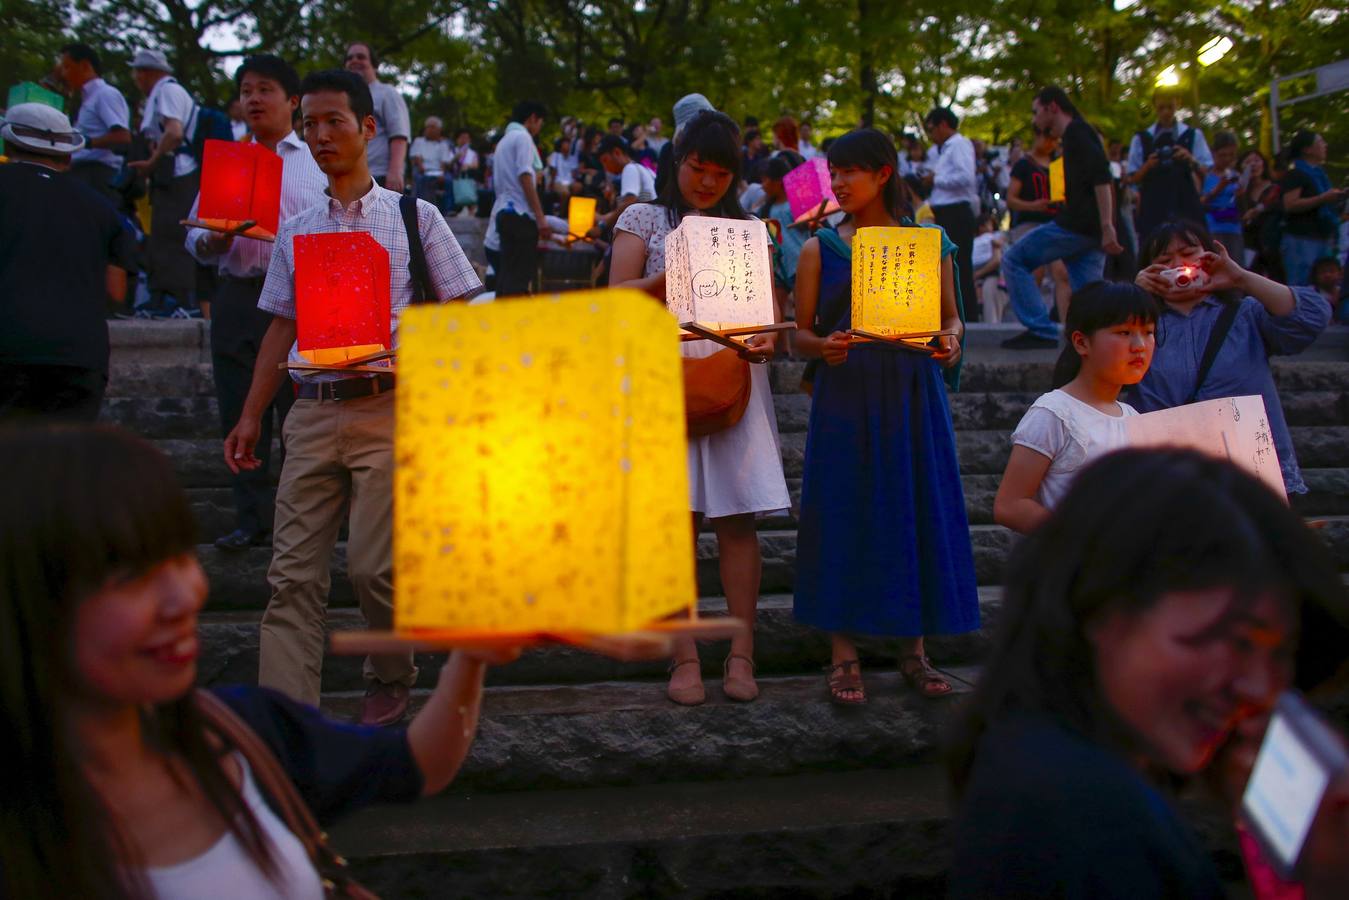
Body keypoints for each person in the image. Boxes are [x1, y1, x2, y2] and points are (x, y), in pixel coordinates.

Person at [0, 424, 516, 899]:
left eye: (181, 557)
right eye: (131, 577)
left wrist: (468, 663)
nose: (186, 596)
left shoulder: (247, 730)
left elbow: (414, 765)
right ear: (28, 599)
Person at [947, 446, 1346, 899]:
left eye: (1280, 654)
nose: (1259, 689)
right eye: (1235, 642)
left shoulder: (1037, 758)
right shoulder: (1089, 824)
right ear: (1103, 610)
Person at [222, 69, 482, 723]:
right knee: (291, 581)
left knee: (374, 569)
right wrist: (252, 415)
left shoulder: (414, 216)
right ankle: (287, 722)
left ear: (368, 127)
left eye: (333, 121)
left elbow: (468, 311)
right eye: (309, 124)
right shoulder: (299, 228)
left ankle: (391, 668)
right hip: (311, 410)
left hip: (391, 407)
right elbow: (281, 324)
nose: (319, 136)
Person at [791, 128, 978, 705]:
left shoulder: (930, 242)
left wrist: (949, 342)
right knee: (844, 506)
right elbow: (798, 338)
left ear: (883, 174)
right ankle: (842, 654)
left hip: (911, 391)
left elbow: (952, 319)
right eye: (834, 172)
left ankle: (914, 649)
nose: (839, 183)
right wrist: (825, 348)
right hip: (846, 392)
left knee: (912, 503)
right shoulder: (819, 247)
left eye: (851, 171)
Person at [609, 110, 790, 706]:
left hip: (733, 375)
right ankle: (684, 657)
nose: (707, 182)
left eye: (720, 172)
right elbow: (615, 299)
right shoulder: (643, 217)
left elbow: (767, 312)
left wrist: (767, 337)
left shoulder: (748, 228)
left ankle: (742, 653)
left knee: (736, 519)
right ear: (676, 160)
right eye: (697, 167)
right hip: (660, 378)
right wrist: (673, 276)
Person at [184, 55, 327, 552]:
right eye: (245, 90)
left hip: (299, 300)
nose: (252, 99)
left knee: (298, 413)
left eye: (264, 89)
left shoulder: (315, 159)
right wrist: (215, 241)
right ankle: (250, 518)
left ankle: (300, 521)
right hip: (239, 295)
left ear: (292, 101)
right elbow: (193, 238)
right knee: (238, 409)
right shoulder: (229, 160)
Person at [1133, 219, 1328, 495]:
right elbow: (1090, 359)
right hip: (1170, 464)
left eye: (1189, 254)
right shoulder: (1137, 325)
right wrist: (1133, 297)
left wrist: (1241, 278)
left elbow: (1310, 316)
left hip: (1247, 464)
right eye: (1165, 259)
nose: (1178, 264)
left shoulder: (1245, 313)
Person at [0, 104, 135, 422]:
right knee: (64, 466)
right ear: (69, 156)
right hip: (79, 357)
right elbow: (116, 292)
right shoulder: (103, 210)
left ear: (7, 146)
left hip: (7, 351)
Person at [993, 282, 1156, 533]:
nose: (1140, 345)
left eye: (1148, 332)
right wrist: (1083, 541)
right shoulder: (1054, 413)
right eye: (1124, 332)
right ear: (1081, 342)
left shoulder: (1133, 416)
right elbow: (1010, 505)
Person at [1001, 86, 1122, 349]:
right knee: (1088, 291)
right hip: (1088, 231)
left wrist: (1107, 225)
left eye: (1036, 113)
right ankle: (1101, 339)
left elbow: (1101, 178)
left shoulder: (1077, 132)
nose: (1035, 120)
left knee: (1013, 259)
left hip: (1076, 225)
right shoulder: (1079, 134)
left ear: (1052, 107)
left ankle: (1041, 329)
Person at [126, 49, 202, 318]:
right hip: (169, 174)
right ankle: (163, 295)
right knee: (160, 233)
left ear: (146, 73)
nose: (136, 78)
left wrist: (152, 161)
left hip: (178, 172)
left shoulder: (168, 91)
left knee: (172, 234)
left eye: (137, 72)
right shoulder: (164, 93)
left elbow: (174, 132)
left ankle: (179, 298)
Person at [1127, 90, 1213, 242]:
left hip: (1186, 200)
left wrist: (1190, 159)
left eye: (1170, 107)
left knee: (1192, 241)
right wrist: (1148, 166)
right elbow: (1132, 177)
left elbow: (1207, 170)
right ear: (1155, 107)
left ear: (1177, 104)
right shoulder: (1142, 138)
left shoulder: (1192, 135)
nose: (1166, 112)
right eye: (1161, 108)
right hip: (1153, 202)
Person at [483, 100, 550, 296]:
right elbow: (525, 175)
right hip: (520, 214)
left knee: (506, 280)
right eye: (540, 123)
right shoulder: (523, 138)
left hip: (504, 213)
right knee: (518, 283)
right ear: (532, 118)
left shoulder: (503, 141)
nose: (538, 129)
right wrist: (540, 217)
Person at [1006, 126, 1071, 323]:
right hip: (1029, 223)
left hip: (1055, 222)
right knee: (1035, 272)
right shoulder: (1023, 165)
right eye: (1048, 138)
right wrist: (1033, 206)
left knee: (1061, 272)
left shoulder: (1057, 164)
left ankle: (1064, 322)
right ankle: (1033, 321)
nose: (1051, 143)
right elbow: (1011, 199)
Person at [922, 107, 979, 322]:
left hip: (956, 211)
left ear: (943, 124)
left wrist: (935, 179)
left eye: (932, 129)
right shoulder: (944, 149)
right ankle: (954, 317)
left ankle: (968, 318)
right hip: (945, 211)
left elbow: (966, 178)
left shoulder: (959, 144)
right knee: (946, 269)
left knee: (959, 266)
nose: (931, 135)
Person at [56, 42, 131, 205]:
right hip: (84, 172)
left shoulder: (105, 94)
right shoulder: (87, 99)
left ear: (84, 66)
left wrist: (86, 142)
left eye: (67, 67)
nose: (64, 74)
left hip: (96, 174)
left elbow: (122, 137)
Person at [1279, 131, 1347, 286]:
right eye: (1320, 142)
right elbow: (1290, 204)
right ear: (1307, 149)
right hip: (1301, 239)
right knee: (1301, 285)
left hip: (1321, 236)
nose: (1325, 145)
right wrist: (1323, 198)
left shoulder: (1320, 175)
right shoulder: (1296, 174)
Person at [343, 41, 410, 195]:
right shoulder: (344, 99)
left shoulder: (387, 93)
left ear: (374, 65)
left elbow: (399, 135)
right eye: (349, 58)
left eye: (361, 57)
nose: (354, 61)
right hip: (350, 178)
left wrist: (395, 171)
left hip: (380, 177)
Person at [1201, 130, 1245, 263]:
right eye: (1222, 155)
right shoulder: (1205, 175)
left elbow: (1243, 206)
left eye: (1231, 155)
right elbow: (1199, 202)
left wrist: (1240, 195)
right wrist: (1218, 188)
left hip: (1233, 226)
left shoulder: (1236, 175)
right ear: (1214, 154)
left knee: (1236, 264)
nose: (1227, 159)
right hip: (1213, 227)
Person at [594, 134, 655, 228]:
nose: (605, 167)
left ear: (617, 152)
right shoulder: (643, 169)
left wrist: (602, 224)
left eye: (605, 160)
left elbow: (629, 203)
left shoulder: (629, 169)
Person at [1238, 149, 1280, 276]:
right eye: (1248, 162)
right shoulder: (1239, 191)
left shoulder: (1274, 188)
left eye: (1256, 160)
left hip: (1270, 242)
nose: (1253, 165)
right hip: (1247, 243)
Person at [971, 212, 1009, 323]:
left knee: (991, 316)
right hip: (979, 277)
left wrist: (976, 274)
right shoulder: (976, 241)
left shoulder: (992, 238)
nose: (989, 228)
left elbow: (996, 260)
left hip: (992, 276)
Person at [409, 115, 451, 209]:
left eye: (432, 127)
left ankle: (448, 209)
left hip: (438, 170)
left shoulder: (444, 144)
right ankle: (419, 207)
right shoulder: (418, 141)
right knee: (421, 178)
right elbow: (416, 157)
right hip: (422, 169)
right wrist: (422, 168)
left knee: (448, 180)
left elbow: (444, 162)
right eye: (427, 127)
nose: (429, 129)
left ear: (439, 130)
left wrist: (441, 173)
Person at [1311, 256, 1344, 320]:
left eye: (1332, 271)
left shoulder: (1343, 292)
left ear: (1340, 274)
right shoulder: (1311, 293)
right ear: (1316, 276)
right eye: (1322, 272)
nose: (1327, 275)